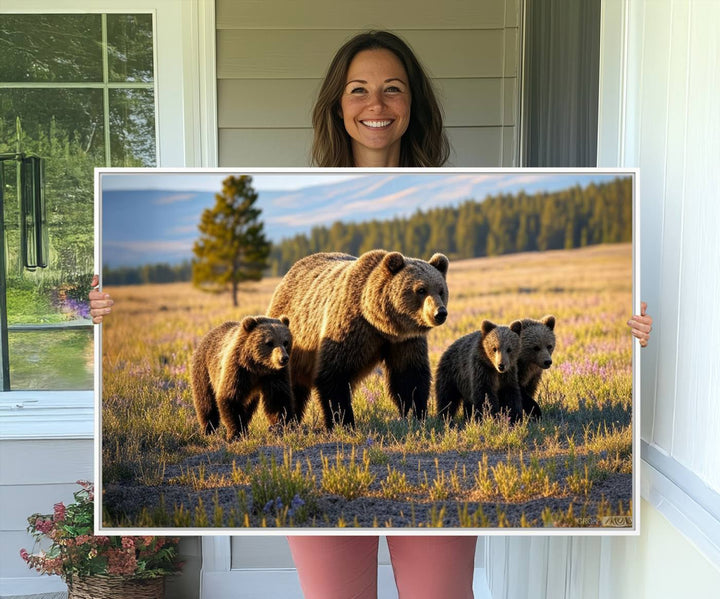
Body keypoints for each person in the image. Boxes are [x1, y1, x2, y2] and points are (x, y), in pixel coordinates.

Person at [89, 30, 653, 599]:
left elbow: (415, 378)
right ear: (338, 105)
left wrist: (635, 332)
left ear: (414, 104)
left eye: (393, 89)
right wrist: (101, 311)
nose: (376, 104)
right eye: (359, 90)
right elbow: (328, 372)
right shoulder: (347, 296)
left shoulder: (425, 281)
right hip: (315, 309)